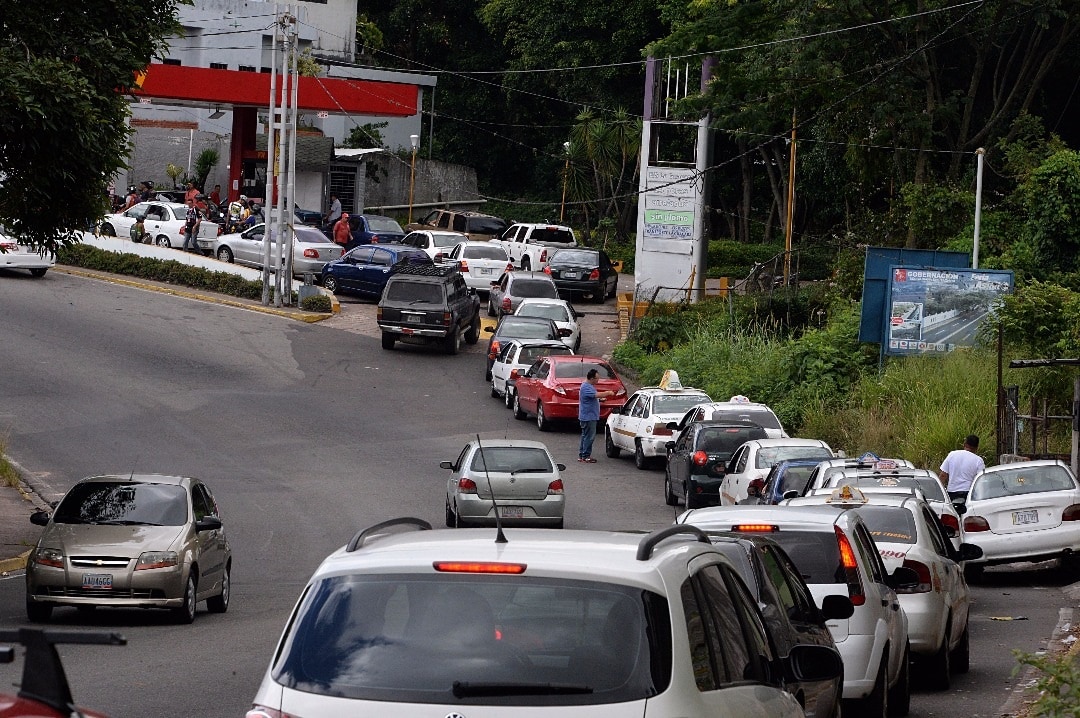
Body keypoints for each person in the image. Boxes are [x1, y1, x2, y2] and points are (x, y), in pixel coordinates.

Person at [578, 368, 614, 463]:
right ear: (591, 378)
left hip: (588, 415)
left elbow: (591, 398)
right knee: (589, 436)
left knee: (585, 435)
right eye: (597, 379)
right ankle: (586, 455)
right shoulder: (586, 387)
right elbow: (596, 395)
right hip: (588, 416)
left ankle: (582, 455)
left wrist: (600, 400)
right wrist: (608, 393)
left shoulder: (588, 386)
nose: (598, 381)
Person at [939, 434, 985, 501]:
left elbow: (943, 476)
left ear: (964, 444)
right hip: (969, 493)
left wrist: (940, 493)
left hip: (952, 493)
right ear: (977, 447)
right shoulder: (979, 460)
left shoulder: (952, 454)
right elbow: (981, 480)